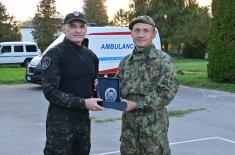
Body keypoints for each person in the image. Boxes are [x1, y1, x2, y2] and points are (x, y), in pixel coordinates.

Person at [41, 11, 105, 155]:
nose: (78, 30)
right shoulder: (54, 54)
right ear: (63, 28)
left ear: (86, 29)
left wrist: (97, 89)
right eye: (73, 26)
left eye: (81, 26)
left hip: (83, 123)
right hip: (60, 125)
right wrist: (83, 103)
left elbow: (91, 90)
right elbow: (50, 91)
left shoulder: (91, 56)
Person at [115, 15, 179, 155]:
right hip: (129, 134)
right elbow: (117, 89)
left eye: (146, 30)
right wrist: (102, 87)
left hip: (153, 135)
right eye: (136, 30)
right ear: (131, 33)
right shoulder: (125, 62)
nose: (141, 34)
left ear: (153, 34)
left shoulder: (163, 61)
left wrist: (136, 104)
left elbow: (167, 92)